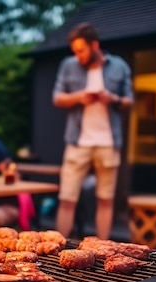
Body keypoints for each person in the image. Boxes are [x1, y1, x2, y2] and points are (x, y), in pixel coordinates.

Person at [52, 22, 133, 240]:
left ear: (94, 44)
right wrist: (80, 96)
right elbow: (57, 97)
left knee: (105, 199)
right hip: (77, 142)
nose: (77, 56)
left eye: (81, 50)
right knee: (67, 198)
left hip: (108, 142)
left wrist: (112, 98)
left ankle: (103, 247)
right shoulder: (68, 65)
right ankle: (55, 252)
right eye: (74, 51)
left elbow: (129, 101)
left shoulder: (119, 66)